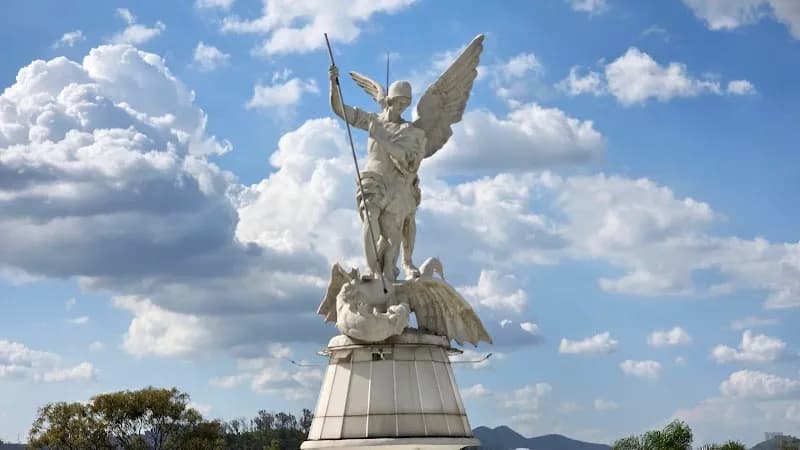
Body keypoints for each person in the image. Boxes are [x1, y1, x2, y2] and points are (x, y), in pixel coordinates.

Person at [328, 64, 425, 282]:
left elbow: (407, 159)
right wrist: (333, 84)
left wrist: (381, 138)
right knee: (370, 219)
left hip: (395, 188)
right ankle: (372, 270)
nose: (401, 106)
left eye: (405, 103)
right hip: (373, 180)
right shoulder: (373, 120)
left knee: (392, 242)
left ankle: (389, 275)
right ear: (389, 100)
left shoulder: (409, 131)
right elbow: (340, 110)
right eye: (399, 101)